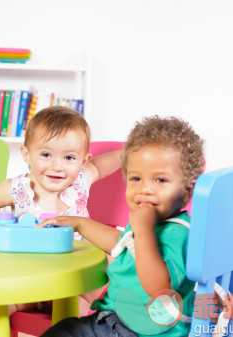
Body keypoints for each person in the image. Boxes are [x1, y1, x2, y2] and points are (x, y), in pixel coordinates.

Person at [36, 115, 205, 336]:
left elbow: (159, 289)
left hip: (144, 330)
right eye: (136, 179)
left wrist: (143, 232)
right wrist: (79, 223)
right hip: (113, 320)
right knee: (62, 331)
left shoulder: (178, 233)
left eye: (160, 180)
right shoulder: (149, 222)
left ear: (187, 190)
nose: (145, 189)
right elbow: (122, 244)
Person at [0, 106, 123, 322]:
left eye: (69, 158)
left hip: (74, 286)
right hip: (28, 282)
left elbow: (102, 165)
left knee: (110, 270)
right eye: (46, 154)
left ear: (83, 161)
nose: (57, 166)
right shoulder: (20, 188)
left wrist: (133, 151)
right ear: (27, 155)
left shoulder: (81, 182)